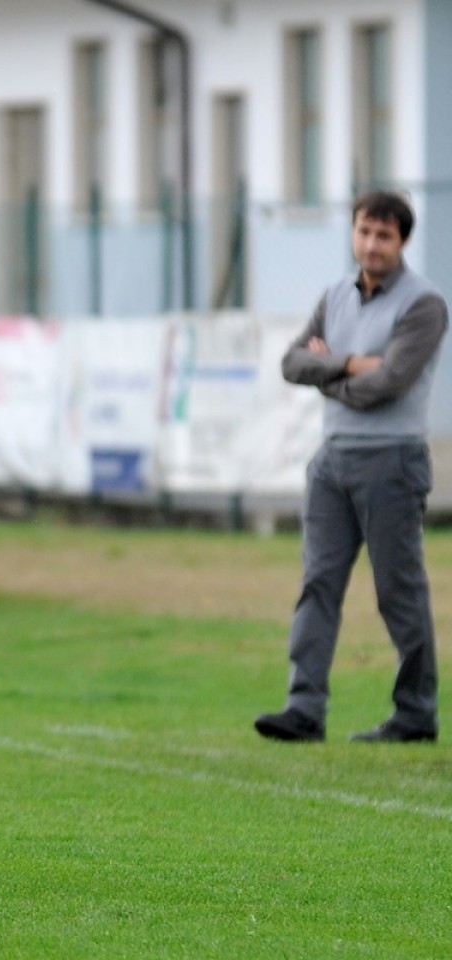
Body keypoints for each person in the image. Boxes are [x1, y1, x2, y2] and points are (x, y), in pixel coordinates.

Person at [254, 190, 448, 744]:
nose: (372, 244)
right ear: (354, 232)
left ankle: (415, 713)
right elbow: (292, 362)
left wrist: (326, 371)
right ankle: (304, 708)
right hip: (332, 463)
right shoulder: (335, 294)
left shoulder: (424, 304)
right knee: (318, 584)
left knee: (398, 592)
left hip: (392, 462)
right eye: (365, 231)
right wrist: (349, 364)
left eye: (384, 235)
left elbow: (389, 384)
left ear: (403, 241)